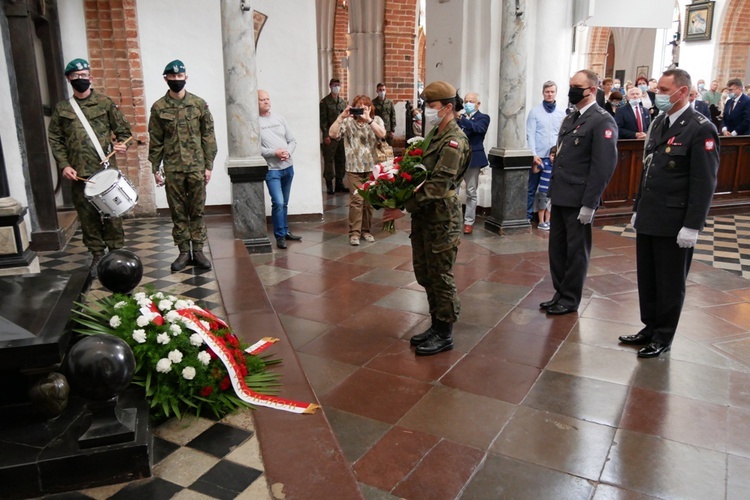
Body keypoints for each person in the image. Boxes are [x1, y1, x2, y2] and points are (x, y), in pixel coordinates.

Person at [619, 69, 719, 358]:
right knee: (648, 277)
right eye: (658, 89)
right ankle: (649, 327)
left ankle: (663, 336)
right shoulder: (660, 121)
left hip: (675, 222)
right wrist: (638, 207)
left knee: (670, 281)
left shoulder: (701, 128)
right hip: (651, 214)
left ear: (683, 92)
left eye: (664, 90)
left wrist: (693, 226)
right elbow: (648, 168)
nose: (658, 94)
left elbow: (704, 182)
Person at [382, 81, 471, 356]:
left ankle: (445, 333)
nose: (426, 111)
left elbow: (439, 186)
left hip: (442, 217)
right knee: (425, 272)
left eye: (431, 106)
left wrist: (403, 207)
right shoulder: (435, 133)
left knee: (440, 275)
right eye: (425, 106)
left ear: (447, 107)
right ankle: (435, 324)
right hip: (425, 214)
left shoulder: (454, 141)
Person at [540, 69, 618, 316]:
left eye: (577, 86)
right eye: (571, 85)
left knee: (576, 251)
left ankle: (571, 298)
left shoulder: (602, 120)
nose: (572, 90)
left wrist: (590, 203)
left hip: (579, 198)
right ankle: (559, 292)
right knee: (557, 249)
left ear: (592, 90)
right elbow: (562, 156)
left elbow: (603, 166)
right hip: (562, 194)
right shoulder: (571, 118)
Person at [48, 58, 132, 277]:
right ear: (69, 79)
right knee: (88, 218)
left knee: (113, 214)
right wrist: (64, 164)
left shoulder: (104, 103)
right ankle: (97, 254)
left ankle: (117, 253)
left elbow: (125, 131)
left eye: (84, 75)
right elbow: (55, 139)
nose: (81, 79)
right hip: (79, 176)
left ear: (91, 78)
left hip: (105, 172)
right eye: (76, 76)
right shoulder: (63, 109)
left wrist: (123, 145)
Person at [148, 59, 217, 272]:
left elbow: (208, 135)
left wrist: (208, 165)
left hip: (196, 167)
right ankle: (183, 252)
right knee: (178, 212)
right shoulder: (159, 107)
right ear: (166, 78)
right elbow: (156, 140)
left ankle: (198, 250)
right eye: (172, 77)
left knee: (197, 210)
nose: (176, 80)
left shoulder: (198, 104)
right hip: (173, 168)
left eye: (180, 77)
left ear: (185, 77)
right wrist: (155, 169)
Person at [328, 95, 386, 246]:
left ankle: (366, 230)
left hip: (372, 167)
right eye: (358, 106)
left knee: (369, 201)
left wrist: (369, 120)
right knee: (357, 200)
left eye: (364, 106)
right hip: (354, 168)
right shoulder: (347, 122)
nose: (361, 109)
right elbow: (332, 134)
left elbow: (382, 134)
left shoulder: (376, 120)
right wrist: (341, 116)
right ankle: (354, 233)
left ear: (370, 108)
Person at [258, 90, 302, 250]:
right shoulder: (255, 122)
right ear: (256, 103)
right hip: (272, 170)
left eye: (267, 99)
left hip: (288, 167)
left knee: (284, 203)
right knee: (278, 202)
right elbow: (256, 148)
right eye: (262, 100)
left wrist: (288, 152)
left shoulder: (279, 118)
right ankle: (280, 236)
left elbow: (292, 140)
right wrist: (274, 153)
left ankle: (285, 231)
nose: (266, 102)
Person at [525, 81, 566, 221]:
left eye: (552, 92)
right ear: (543, 93)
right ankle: (527, 216)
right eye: (547, 91)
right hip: (539, 156)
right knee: (532, 188)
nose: (549, 94)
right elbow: (530, 133)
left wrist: (560, 153)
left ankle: (551, 218)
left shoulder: (561, 112)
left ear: (556, 93)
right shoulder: (535, 112)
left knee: (554, 189)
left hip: (554, 157)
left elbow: (562, 134)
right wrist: (533, 154)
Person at [456, 92, 490, 234]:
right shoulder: (459, 118)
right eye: (466, 101)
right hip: (457, 158)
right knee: (454, 191)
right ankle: (455, 219)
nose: (468, 103)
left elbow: (478, 129)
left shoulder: (483, 118)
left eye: (471, 101)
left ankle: (469, 221)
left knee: (471, 191)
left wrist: (463, 120)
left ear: (478, 104)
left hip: (473, 159)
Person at [320, 78, 348, 194]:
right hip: (330, 137)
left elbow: (345, 120)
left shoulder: (342, 102)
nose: (337, 87)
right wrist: (325, 135)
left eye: (338, 85)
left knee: (341, 160)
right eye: (335, 85)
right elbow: (323, 120)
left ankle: (339, 183)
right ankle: (329, 185)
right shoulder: (324, 102)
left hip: (341, 136)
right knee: (329, 161)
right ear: (330, 86)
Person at [534, 146, 556, 230]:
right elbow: (535, 171)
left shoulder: (557, 166)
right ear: (549, 155)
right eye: (552, 155)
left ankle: (547, 221)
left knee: (549, 208)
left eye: (555, 156)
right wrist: (536, 163)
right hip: (543, 190)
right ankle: (541, 222)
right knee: (542, 207)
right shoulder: (545, 163)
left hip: (552, 191)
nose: (553, 158)